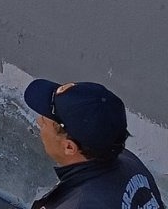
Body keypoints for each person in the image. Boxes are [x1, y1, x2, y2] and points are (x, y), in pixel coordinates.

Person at [24, 78, 164, 209]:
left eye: (44, 121)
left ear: (69, 147)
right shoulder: (129, 162)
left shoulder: (81, 203)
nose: (38, 121)